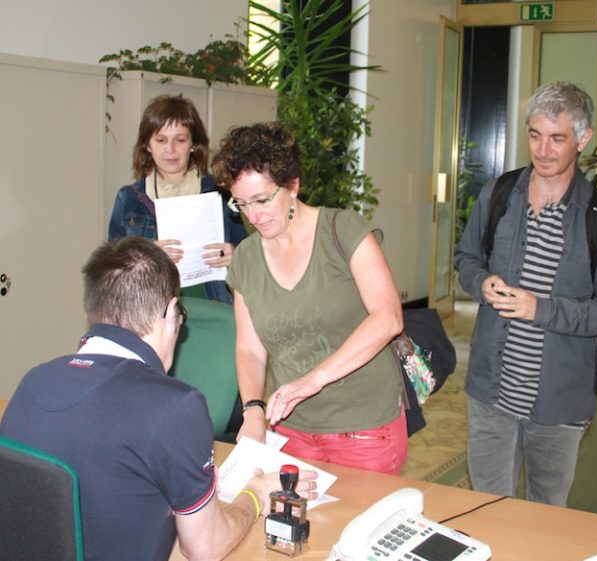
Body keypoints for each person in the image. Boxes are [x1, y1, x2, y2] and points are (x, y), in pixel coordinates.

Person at [0, 237, 318, 561]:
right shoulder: (174, 405)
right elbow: (204, 548)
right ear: (170, 313)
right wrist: (256, 495)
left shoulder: (33, 381)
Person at [454, 81, 597, 505]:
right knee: (485, 509)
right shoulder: (498, 194)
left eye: (558, 138)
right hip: (491, 391)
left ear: (583, 139)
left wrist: (543, 310)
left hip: (559, 402)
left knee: (544, 518)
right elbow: (466, 257)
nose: (543, 150)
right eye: (535, 135)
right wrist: (481, 282)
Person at [210, 122, 408, 475]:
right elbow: (249, 349)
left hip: (363, 428)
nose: (252, 216)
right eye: (240, 203)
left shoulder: (343, 231)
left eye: (262, 200)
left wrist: (313, 379)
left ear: (293, 185)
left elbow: (388, 318)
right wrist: (253, 409)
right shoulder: (246, 258)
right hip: (289, 431)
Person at [108, 94, 247, 304]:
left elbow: (253, 256)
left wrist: (235, 255)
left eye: (180, 140)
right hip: (151, 313)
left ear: (193, 144)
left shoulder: (220, 195)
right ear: (147, 145)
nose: (170, 150)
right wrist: (147, 257)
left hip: (214, 308)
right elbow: (110, 269)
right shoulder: (129, 198)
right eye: (161, 140)